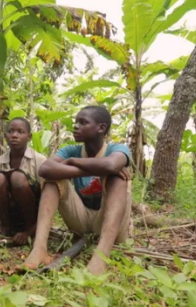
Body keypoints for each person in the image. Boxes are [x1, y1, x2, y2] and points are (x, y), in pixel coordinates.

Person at [23, 106, 131, 275]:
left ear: (101, 128)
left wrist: (71, 163)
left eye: (83, 122)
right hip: (82, 222)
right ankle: (39, 249)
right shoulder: (71, 151)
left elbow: (111, 165)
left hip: (112, 225)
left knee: (117, 178)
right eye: (76, 122)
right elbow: (45, 169)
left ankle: (101, 256)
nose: (75, 126)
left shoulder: (117, 149)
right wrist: (85, 163)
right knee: (53, 179)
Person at [0, 117, 47, 245]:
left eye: (20, 132)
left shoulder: (40, 160)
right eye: (11, 131)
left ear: (29, 137)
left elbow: (47, 200)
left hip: (32, 216)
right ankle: (6, 228)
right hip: (9, 214)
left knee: (17, 178)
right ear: (6, 135)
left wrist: (29, 232)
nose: (14, 135)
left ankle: (29, 229)